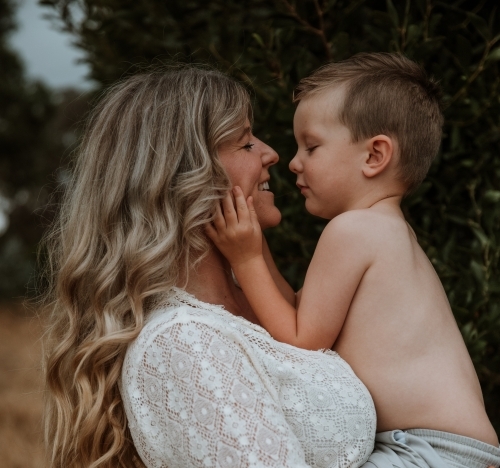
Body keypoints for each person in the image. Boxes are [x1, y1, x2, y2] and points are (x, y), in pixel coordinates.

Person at [42, 66, 377, 468]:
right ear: (184, 177)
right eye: (246, 143)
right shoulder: (185, 342)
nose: (273, 153)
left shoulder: (265, 304)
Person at [207, 53, 500, 468]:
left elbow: (300, 340)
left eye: (312, 146)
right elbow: (296, 312)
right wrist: (255, 249)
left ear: (374, 155)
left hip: (425, 451)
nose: (294, 162)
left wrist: (247, 258)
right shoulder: (384, 231)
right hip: (447, 449)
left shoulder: (353, 231)